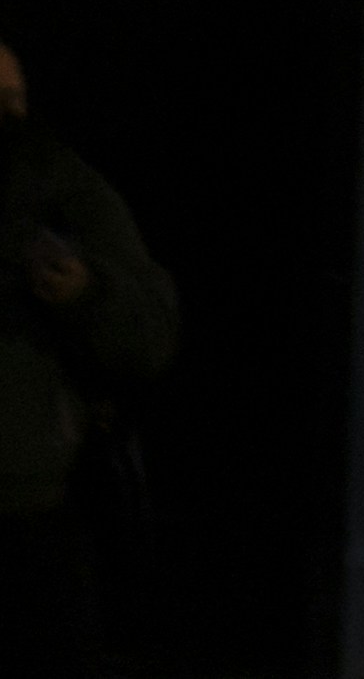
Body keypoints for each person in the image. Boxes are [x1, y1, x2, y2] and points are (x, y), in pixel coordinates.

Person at [0, 42, 175, 679]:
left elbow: (149, 334)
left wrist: (82, 292)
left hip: (25, 514)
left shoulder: (58, 186)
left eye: (12, 101)